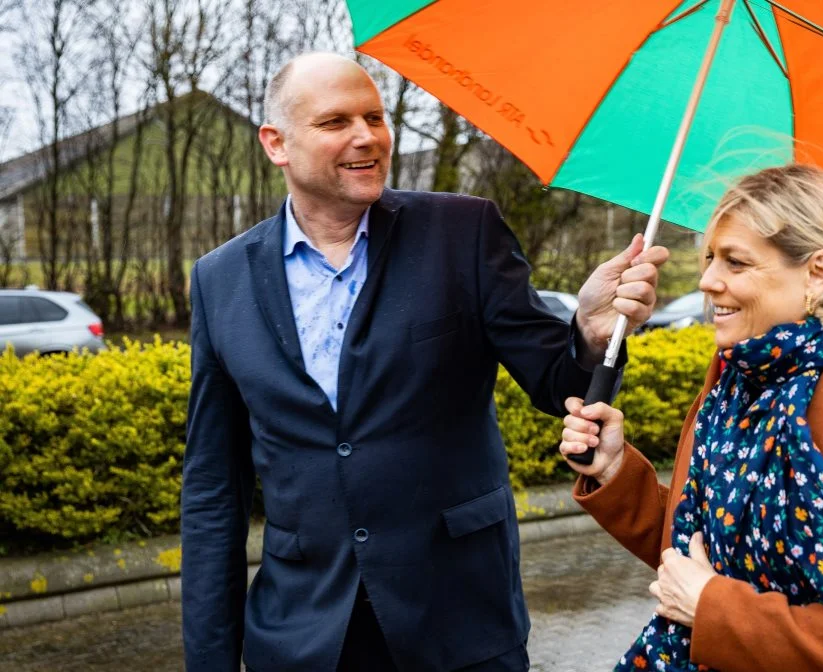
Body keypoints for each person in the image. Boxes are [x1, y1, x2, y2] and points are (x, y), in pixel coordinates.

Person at [181, 52, 668, 672]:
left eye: (375, 117)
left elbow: (557, 383)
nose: (367, 137)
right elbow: (212, 490)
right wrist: (211, 658)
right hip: (302, 636)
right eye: (335, 122)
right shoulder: (220, 279)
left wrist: (594, 334)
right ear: (276, 143)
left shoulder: (464, 232)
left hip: (459, 621)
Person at [560, 164, 823, 671]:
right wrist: (615, 471)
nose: (707, 281)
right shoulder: (734, 382)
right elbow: (700, 549)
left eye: (736, 262)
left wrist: (712, 608)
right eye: (710, 258)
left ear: (817, 272)